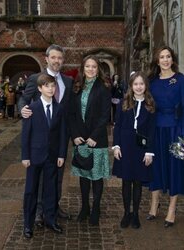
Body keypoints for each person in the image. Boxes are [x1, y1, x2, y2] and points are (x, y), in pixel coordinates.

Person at [18, 44, 73, 225]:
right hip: (40, 138)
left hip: (59, 136)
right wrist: (22, 109)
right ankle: (40, 211)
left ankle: (53, 207)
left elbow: (68, 111)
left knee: (57, 173)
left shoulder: (67, 81)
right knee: (40, 177)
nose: (57, 61)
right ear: (47, 58)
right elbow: (24, 98)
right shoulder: (36, 78)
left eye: (60, 58)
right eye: (54, 57)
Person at [147, 45, 184, 228]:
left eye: (168, 56)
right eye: (162, 57)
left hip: (176, 131)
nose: (165, 60)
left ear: (172, 59)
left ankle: (172, 209)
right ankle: (154, 205)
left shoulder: (181, 79)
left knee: (175, 169)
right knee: (156, 167)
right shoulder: (151, 81)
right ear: (157, 60)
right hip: (156, 130)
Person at [21, 73, 67, 238]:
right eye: (47, 86)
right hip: (34, 156)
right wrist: (25, 156)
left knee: (51, 190)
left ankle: (50, 219)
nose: (51, 88)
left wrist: (62, 154)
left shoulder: (59, 108)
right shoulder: (31, 109)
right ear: (40, 88)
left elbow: (62, 133)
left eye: (53, 86)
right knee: (31, 191)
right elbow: (25, 134)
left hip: (52, 156)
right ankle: (28, 224)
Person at [69, 55, 111, 226]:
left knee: (96, 176)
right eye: (88, 66)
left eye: (94, 66)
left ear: (98, 69)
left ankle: (96, 208)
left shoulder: (104, 87)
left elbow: (104, 115)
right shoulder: (77, 87)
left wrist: (94, 136)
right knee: (83, 175)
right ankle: (84, 207)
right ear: (83, 68)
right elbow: (71, 114)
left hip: (97, 139)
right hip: (80, 139)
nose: (91, 69)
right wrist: (75, 135)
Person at [112, 71, 156, 229]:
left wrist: (149, 151)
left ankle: (136, 213)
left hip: (141, 147)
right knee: (126, 181)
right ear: (131, 86)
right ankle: (126, 213)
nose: (138, 87)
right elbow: (117, 126)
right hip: (125, 145)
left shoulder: (150, 104)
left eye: (141, 84)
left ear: (146, 86)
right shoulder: (123, 103)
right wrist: (116, 146)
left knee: (137, 181)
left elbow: (152, 130)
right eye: (135, 84)